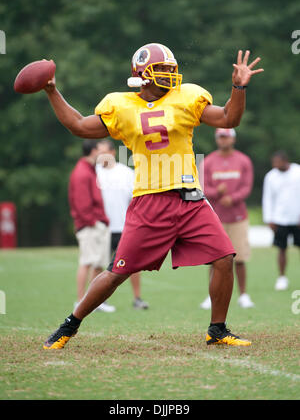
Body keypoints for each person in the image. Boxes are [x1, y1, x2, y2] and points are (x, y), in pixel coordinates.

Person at [42, 43, 263, 350]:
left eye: (172, 70)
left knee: (224, 258)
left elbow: (229, 119)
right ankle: (69, 324)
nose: (170, 76)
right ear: (142, 75)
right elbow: (79, 125)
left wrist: (238, 86)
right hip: (150, 201)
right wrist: (52, 91)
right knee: (118, 272)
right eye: (162, 71)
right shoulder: (121, 105)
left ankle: (217, 329)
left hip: (190, 199)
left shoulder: (186, 97)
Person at [199, 127, 254, 310]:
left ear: (233, 139)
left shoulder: (243, 160)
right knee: (215, 259)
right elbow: (202, 187)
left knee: (239, 258)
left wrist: (234, 197)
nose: (223, 140)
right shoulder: (208, 162)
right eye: (220, 137)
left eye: (226, 137)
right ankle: (211, 295)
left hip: (238, 216)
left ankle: (244, 295)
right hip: (215, 217)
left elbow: (247, 186)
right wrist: (216, 192)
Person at [96, 139, 149, 309]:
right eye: (98, 152)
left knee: (132, 264)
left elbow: (136, 198)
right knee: (98, 264)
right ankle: (98, 301)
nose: (100, 156)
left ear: (112, 153)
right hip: (102, 227)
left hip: (124, 226)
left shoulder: (126, 172)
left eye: (103, 151)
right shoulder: (94, 172)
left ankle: (137, 298)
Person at [69, 139, 116, 313]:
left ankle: (93, 301)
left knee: (97, 263)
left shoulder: (89, 170)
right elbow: (82, 203)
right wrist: (93, 222)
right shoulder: (82, 172)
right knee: (87, 262)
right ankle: (81, 301)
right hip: (90, 225)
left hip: (95, 223)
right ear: (94, 151)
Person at [262, 151, 300, 290]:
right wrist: (269, 219)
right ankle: (282, 277)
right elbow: (267, 198)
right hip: (280, 218)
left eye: (278, 162)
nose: (276, 165)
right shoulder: (271, 176)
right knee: (282, 249)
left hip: (297, 218)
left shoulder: (297, 172)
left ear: (285, 161)